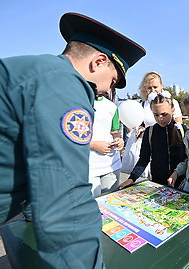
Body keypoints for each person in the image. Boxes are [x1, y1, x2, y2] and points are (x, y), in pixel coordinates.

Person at [0, 12, 145, 268]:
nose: (105, 91)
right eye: (112, 81)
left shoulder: (39, 71)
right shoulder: (65, 82)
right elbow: (65, 197)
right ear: (98, 62)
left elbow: (33, 163)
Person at [119, 93, 187, 188]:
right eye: (156, 115)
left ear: (172, 111)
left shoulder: (183, 130)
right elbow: (144, 159)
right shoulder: (150, 132)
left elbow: (187, 159)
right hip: (158, 184)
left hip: (182, 184)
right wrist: (132, 178)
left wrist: (177, 173)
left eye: (164, 114)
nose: (160, 118)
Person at [89, 91, 124, 197]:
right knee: (91, 206)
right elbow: (71, 136)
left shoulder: (112, 107)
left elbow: (114, 132)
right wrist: (94, 145)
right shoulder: (78, 103)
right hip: (89, 166)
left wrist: (119, 141)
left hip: (111, 165)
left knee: (110, 204)